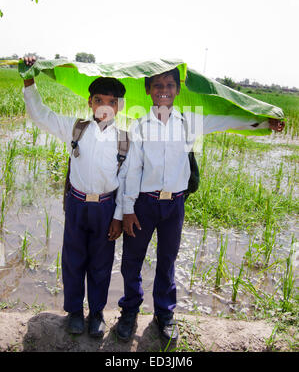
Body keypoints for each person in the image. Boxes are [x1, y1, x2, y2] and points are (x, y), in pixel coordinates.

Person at [116, 67, 285, 342]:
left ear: (177, 90)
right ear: (148, 89)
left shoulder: (187, 122)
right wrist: (127, 209)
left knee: (167, 260)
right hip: (144, 205)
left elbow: (228, 121)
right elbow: (132, 170)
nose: (163, 90)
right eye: (157, 84)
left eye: (169, 84)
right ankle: (129, 311)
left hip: (175, 205)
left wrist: (266, 122)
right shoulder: (139, 126)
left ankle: (165, 314)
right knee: (132, 260)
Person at [22, 56, 128, 338]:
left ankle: (96, 314)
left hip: (106, 209)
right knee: (73, 258)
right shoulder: (76, 129)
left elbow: (126, 183)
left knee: (102, 262)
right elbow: (40, 115)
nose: (104, 105)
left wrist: (118, 218)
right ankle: (74, 312)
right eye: (98, 99)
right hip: (77, 204)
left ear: (118, 106)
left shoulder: (124, 140)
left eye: (110, 100)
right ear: (90, 103)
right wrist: (29, 81)